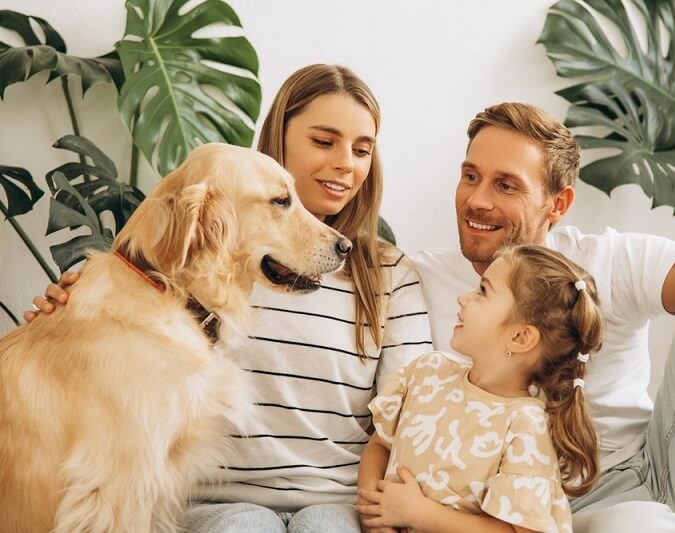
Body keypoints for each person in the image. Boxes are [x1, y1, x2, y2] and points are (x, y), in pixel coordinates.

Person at [26, 64, 433, 533]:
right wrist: (68, 313)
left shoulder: (391, 274)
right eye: (324, 141)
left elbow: (407, 417)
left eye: (363, 150)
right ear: (277, 142)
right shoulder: (195, 266)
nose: (346, 162)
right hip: (217, 499)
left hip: (336, 499)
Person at [411, 102, 675, 532]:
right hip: (504, 517)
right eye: (470, 177)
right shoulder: (418, 279)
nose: (477, 200)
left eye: (506, 186)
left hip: (647, 482)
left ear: (557, 204)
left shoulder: (604, 260)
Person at [357, 244, 603, 533]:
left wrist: (420, 514)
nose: (463, 299)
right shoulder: (426, 372)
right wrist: (375, 512)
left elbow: (521, 531)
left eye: (482, 292)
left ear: (520, 337)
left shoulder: (524, 423)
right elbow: (379, 445)